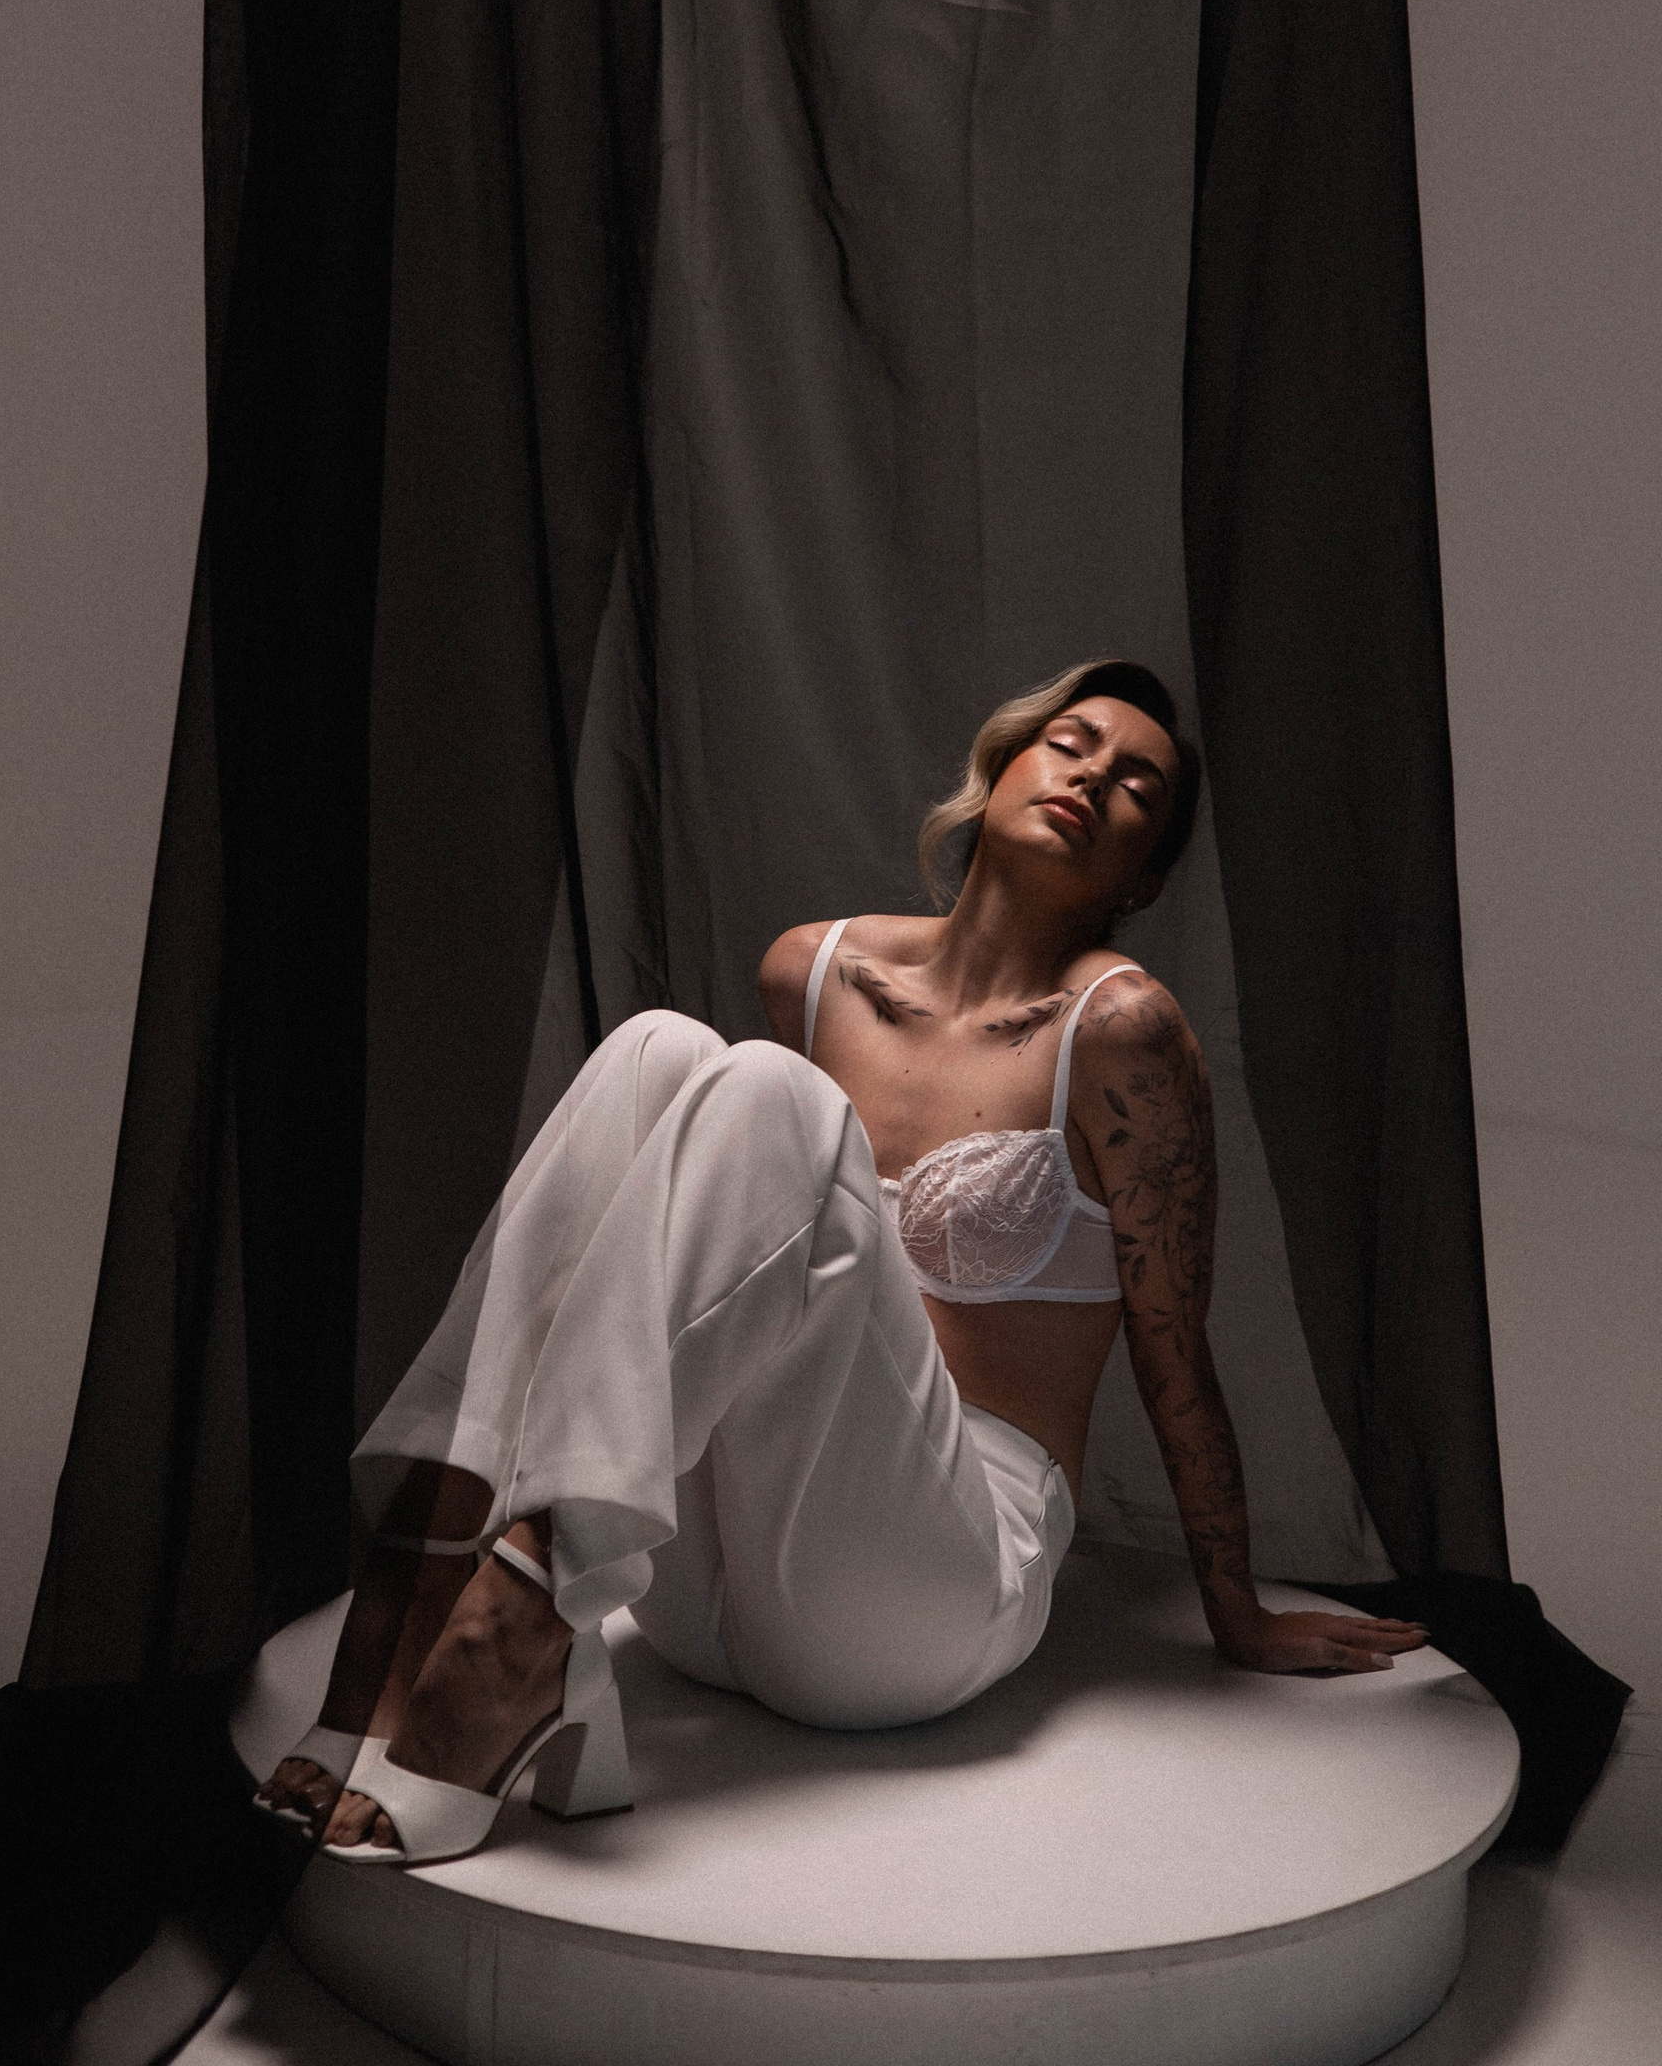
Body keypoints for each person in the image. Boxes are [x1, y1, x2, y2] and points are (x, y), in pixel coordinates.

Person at [256, 659, 1427, 1864]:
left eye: (1139, 786)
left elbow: (1174, 1345)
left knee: (768, 1092)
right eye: (1072, 742)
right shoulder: (813, 970)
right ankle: (428, 1574)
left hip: (925, 1595)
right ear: (1000, 768)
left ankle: (509, 1626)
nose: (1092, 777)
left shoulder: (1125, 1033)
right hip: (701, 1593)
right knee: (655, 1051)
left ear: (1146, 876)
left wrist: (1236, 1610)